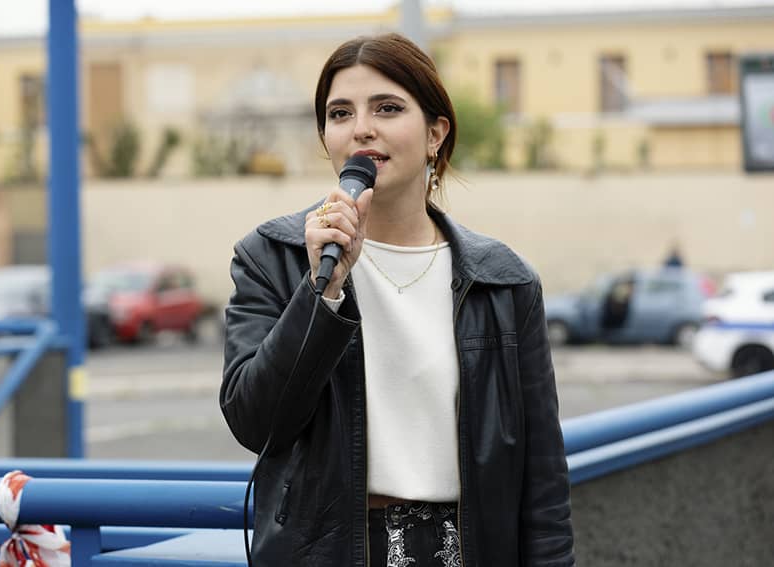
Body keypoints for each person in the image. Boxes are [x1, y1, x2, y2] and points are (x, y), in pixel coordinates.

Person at [221, 33, 574, 567]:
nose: (362, 127)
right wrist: (323, 291)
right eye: (340, 113)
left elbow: (542, 476)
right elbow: (255, 424)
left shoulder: (505, 281)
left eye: (387, 108)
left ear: (435, 133)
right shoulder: (273, 256)